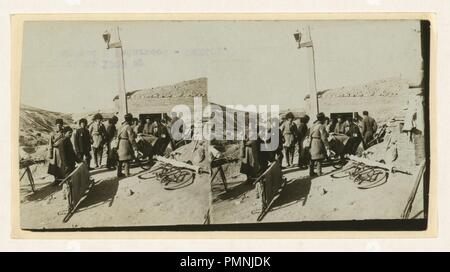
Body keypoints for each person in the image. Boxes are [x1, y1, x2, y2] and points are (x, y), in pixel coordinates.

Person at [309, 112, 331, 177]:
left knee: (312, 158)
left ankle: (311, 172)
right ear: (323, 119)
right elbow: (323, 137)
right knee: (319, 157)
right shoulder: (321, 126)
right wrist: (327, 145)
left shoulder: (313, 125)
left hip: (312, 141)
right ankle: (319, 172)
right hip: (318, 142)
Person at [117, 113, 138, 177]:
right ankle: (127, 173)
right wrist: (135, 147)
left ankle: (119, 173)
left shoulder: (121, 126)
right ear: (130, 120)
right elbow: (131, 138)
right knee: (127, 159)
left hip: (120, 142)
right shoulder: (128, 127)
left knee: (120, 159)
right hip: (125, 143)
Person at [47, 119, 65, 184]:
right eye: (57, 125)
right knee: (54, 166)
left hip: (62, 151)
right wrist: (50, 154)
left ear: (62, 126)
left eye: (60, 125)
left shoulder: (63, 133)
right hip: (55, 151)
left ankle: (62, 179)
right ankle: (56, 179)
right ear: (55, 126)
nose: (59, 127)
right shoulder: (52, 134)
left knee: (61, 165)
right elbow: (50, 144)